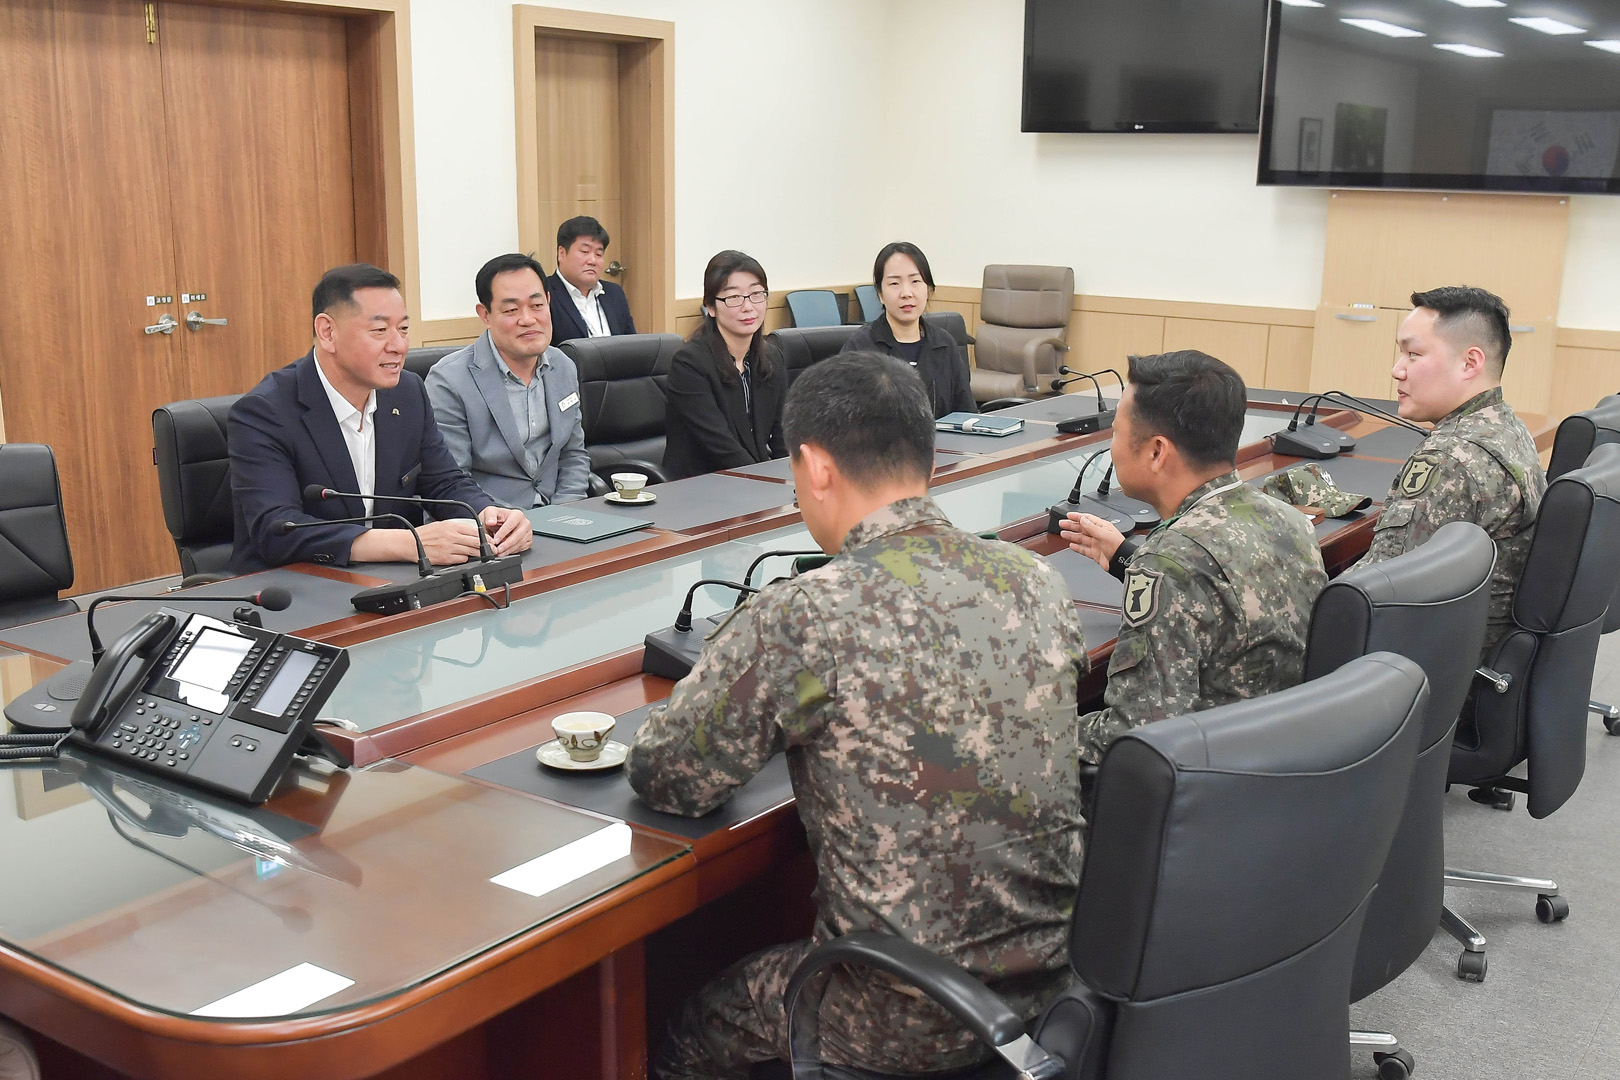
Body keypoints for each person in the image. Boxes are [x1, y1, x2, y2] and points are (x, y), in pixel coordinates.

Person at [628, 353, 1088, 1080]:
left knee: (689, 1024)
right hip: (1050, 995)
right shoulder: (1037, 579)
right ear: (928, 457)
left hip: (896, 1020)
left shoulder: (807, 611)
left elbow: (669, 775)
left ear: (815, 468)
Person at [1061, 350, 1326, 768]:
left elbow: (1135, 733)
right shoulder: (1288, 518)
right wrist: (1128, 559)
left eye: (1115, 432)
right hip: (1286, 760)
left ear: (1156, 451)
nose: (1111, 446)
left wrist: (1034, 733)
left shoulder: (1171, 561)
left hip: (1211, 779)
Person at [228, 263, 532, 573]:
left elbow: (445, 483)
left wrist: (488, 516)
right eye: (379, 331)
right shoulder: (264, 412)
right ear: (328, 332)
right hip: (293, 585)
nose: (399, 346)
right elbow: (278, 530)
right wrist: (409, 543)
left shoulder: (408, 392)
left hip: (393, 578)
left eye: (403, 329)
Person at [1358, 286, 1545, 655]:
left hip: (1431, 665)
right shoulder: (1506, 426)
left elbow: (1376, 589)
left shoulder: (1450, 459)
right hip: (1475, 651)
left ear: (1470, 363)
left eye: (1413, 354)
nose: (1397, 370)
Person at [426, 254, 591, 508]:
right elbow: (451, 481)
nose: (528, 319)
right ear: (485, 314)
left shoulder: (563, 366)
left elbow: (573, 455)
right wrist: (511, 521)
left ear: (548, 302)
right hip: (489, 521)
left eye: (537, 305)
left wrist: (566, 510)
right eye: (511, 310)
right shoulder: (449, 381)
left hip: (560, 513)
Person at [662, 250, 787, 479]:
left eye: (756, 294)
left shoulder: (772, 358)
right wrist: (767, 484)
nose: (748, 306)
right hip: (702, 485)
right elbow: (721, 448)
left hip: (755, 480)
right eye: (734, 297)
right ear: (711, 307)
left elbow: (782, 438)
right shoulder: (689, 364)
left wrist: (794, 480)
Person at [839, 241, 975, 418]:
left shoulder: (945, 344)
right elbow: (843, 419)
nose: (906, 293)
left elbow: (966, 415)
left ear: (929, 290)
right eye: (894, 283)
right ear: (880, 294)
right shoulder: (860, 347)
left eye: (915, 281)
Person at [545, 215, 636, 344]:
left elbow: (632, 345)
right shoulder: (545, 294)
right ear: (562, 254)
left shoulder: (614, 293)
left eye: (599, 254)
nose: (592, 261)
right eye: (585, 251)